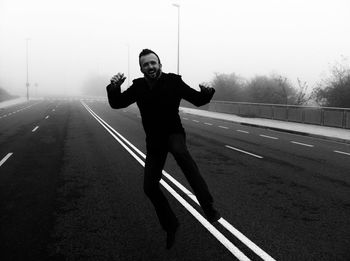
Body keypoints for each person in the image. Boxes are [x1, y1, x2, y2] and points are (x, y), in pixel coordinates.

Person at [106, 49, 220, 249]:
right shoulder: (138, 86)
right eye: (146, 64)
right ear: (141, 68)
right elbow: (117, 103)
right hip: (154, 141)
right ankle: (171, 224)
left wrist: (207, 91)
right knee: (149, 187)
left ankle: (208, 207)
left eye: (153, 63)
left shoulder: (174, 82)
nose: (150, 67)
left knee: (181, 154)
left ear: (160, 64)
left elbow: (198, 100)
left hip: (174, 133)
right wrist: (114, 87)